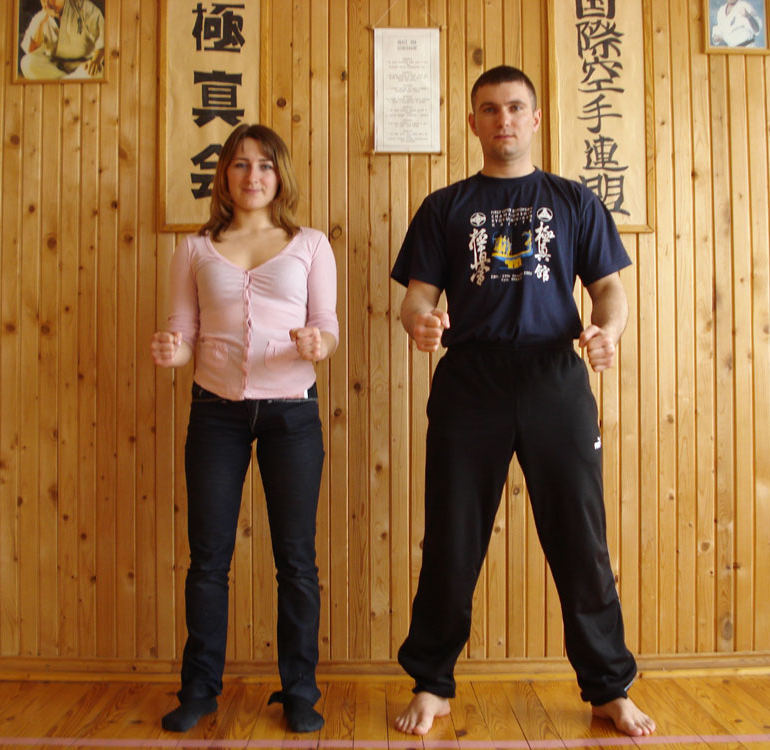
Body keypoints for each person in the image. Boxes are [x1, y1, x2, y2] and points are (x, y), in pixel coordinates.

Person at [390, 65, 656, 738]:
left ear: (535, 119)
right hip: (469, 380)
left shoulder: (573, 200)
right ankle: (432, 682)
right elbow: (417, 297)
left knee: (581, 538)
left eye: (514, 108)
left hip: (553, 376)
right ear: (472, 122)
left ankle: (609, 687)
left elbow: (609, 289)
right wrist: (419, 322)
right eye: (489, 109)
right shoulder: (444, 207)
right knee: (451, 537)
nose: (502, 119)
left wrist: (607, 331)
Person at [152, 123, 338, 734]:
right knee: (208, 558)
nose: (252, 176)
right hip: (216, 412)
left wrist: (318, 343)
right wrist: (173, 350)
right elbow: (184, 332)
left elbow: (327, 326)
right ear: (223, 176)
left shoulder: (310, 244)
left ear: (280, 175)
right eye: (239, 164)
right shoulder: (195, 248)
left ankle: (300, 691)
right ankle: (199, 689)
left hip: (292, 413)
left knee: (296, 559)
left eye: (264, 165)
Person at [20, 0, 105, 80]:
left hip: (83, 66)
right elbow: (31, 50)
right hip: (54, 67)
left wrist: (96, 60)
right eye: (43, 1)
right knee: (26, 63)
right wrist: (40, 25)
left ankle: (60, 83)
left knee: (95, 73)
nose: (47, 5)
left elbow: (103, 38)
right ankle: (70, 82)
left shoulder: (84, 7)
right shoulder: (41, 16)